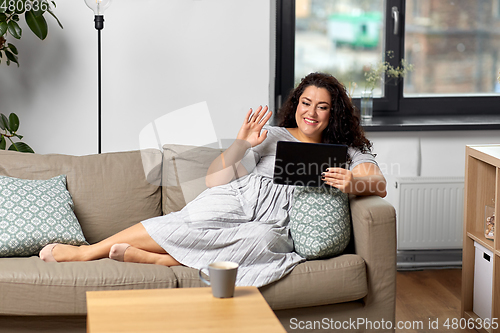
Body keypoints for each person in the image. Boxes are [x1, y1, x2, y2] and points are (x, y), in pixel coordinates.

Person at [40, 72, 386, 287]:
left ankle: (166, 260)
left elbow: (378, 182)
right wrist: (242, 144)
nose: (310, 112)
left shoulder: (346, 150)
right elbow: (215, 178)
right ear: (296, 104)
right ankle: (89, 253)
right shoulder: (274, 134)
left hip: (277, 217)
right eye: (305, 103)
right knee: (193, 219)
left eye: (321, 106)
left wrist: (355, 182)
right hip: (240, 195)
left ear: (333, 111)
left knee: (263, 239)